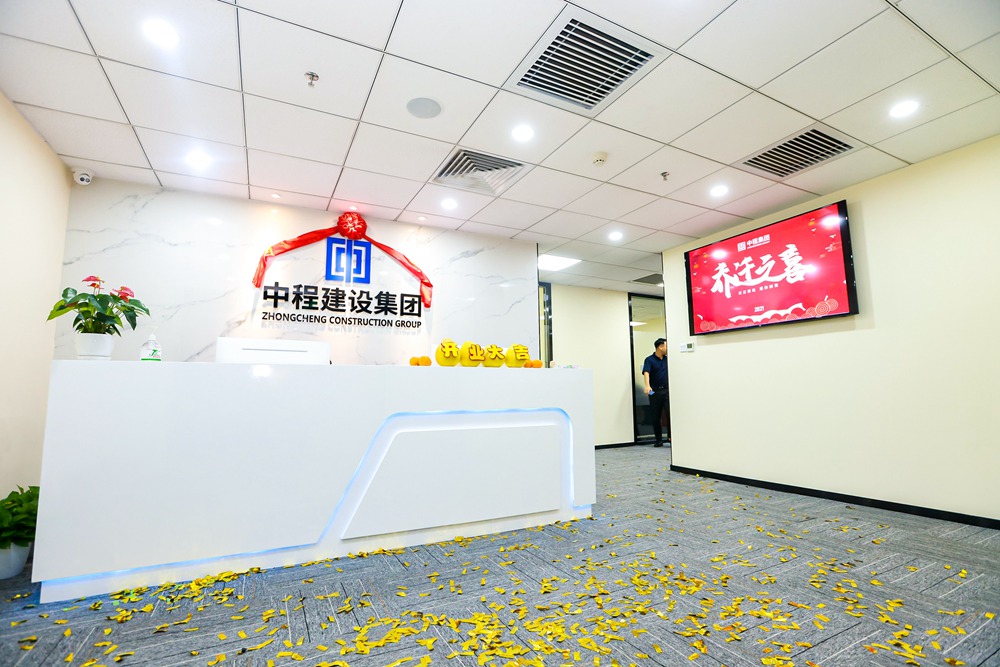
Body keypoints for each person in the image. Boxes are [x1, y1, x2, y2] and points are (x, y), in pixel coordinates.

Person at [642, 338, 670, 448]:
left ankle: (670, 437)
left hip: (667, 390)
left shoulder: (668, 359)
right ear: (660, 347)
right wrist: (647, 386)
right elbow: (646, 373)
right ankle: (658, 440)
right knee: (655, 416)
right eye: (666, 346)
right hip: (654, 391)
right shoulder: (649, 360)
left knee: (669, 414)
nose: (668, 348)